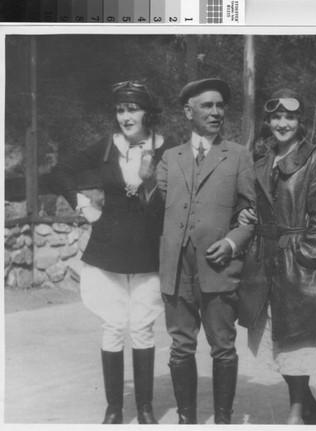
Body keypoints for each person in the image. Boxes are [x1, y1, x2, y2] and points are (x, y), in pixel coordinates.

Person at [141, 78, 256, 424]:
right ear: (188, 111)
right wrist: (144, 178)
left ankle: (222, 420)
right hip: (176, 267)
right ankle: (186, 420)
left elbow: (251, 214)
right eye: (207, 106)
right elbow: (151, 208)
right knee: (180, 346)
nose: (216, 112)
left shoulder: (237, 155)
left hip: (219, 266)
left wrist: (233, 241)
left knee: (222, 345)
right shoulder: (170, 157)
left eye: (220, 105)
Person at [52, 80, 166, 424]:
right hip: (109, 248)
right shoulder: (106, 146)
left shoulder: (168, 149)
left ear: (148, 112)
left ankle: (144, 408)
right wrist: (85, 208)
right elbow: (62, 171)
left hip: (149, 249)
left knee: (143, 328)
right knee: (113, 326)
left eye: (133, 108)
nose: (126, 116)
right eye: (120, 109)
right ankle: (115, 408)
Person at [237, 89, 316, 425]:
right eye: (277, 117)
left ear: (300, 123)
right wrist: (245, 215)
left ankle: (296, 414)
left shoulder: (315, 160)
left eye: (291, 117)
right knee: (274, 344)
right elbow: (249, 206)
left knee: (298, 346)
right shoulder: (259, 164)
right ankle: (309, 406)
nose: (283, 123)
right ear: (268, 122)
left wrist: (301, 253)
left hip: (298, 268)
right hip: (264, 265)